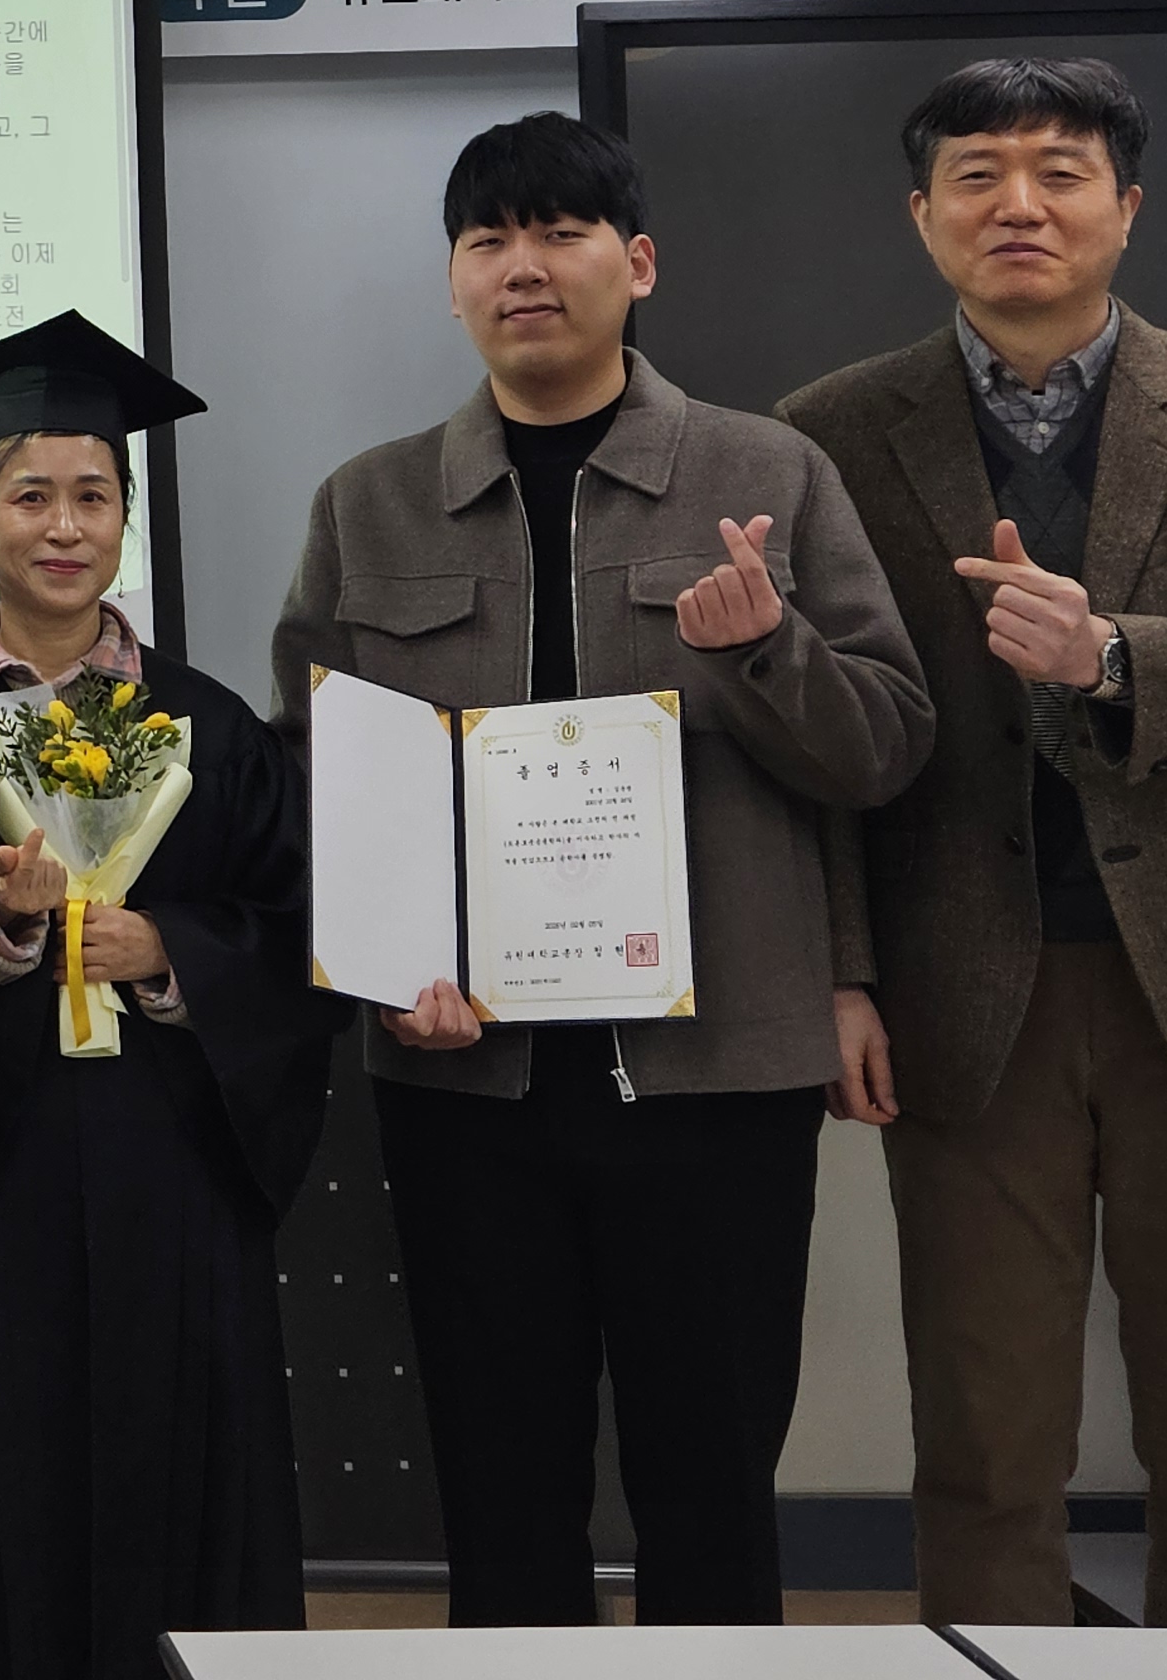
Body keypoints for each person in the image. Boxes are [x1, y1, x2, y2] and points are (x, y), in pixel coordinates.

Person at [271, 115, 929, 1628]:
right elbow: (323, 769)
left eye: (561, 232)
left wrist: (767, 651)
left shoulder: (766, 471)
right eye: (488, 239)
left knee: (711, 1478)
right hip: (467, 1075)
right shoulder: (369, 501)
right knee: (499, 1481)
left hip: (716, 1069)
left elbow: (885, 747)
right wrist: (386, 968)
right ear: (453, 281)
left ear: (635, 264)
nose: (525, 266)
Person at [785, 57, 1167, 1630]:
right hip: (961, 989)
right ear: (923, 217)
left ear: (1127, 207)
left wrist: (1111, 655)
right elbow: (824, 738)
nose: (1020, 204)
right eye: (977, 175)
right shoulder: (829, 431)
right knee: (983, 1446)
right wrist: (841, 973)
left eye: (1060, 171)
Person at [0, 313, 328, 1680]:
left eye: (94, 497)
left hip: (164, 1164)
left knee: (167, 1461)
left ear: (125, 520)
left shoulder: (212, 724)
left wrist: (166, 953)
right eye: (29, 496)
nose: (64, 526)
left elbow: (296, 935)